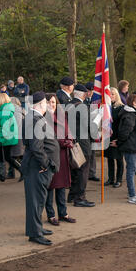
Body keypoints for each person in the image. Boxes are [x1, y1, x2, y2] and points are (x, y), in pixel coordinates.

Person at [22, 91, 60, 246]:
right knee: (36, 201)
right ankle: (35, 233)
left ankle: (37, 228)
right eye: (46, 102)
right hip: (38, 167)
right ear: (41, 104)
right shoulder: (35, 119)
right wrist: (46, 164)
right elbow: (36, 147)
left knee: (38, 200)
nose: (48, 105)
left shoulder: (33, 117)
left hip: (36, 166)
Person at [45, 93, 76, 226]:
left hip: (63, 156)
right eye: (48, 102)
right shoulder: (42, 118)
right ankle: (51, 215)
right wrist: (63, 142)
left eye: (53, 102)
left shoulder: (61, 116)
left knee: (62, 186)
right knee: (50, 187)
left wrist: (69, 140)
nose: (51, 105)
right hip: (50, 156)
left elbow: (69, 132)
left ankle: (63, 213)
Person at [66, 84, 97, 207]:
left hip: (71, 141)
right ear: (84, 94)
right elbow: (89, 125)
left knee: (75, 169)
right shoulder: (82, 107)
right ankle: (80, 197)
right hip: (83, 143)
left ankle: (72, 195)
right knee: (83, 171)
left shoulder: (67, 105)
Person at [117, 94, 136, 205]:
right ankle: (132, 195)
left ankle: (133, 192)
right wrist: (120, 142)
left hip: (134, 146)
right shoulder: (129, 115)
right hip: (131, 147)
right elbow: (124, 133)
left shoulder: (134, 114)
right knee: (131, 171)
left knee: (132, 170)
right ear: (134, 103)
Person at [0, 93, 23, 180]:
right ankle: (21, 171)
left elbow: (4, 127)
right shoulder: (5, 109)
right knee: (8, 157)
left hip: (6, 138)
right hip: (8, 137)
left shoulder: (5, 111)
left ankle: (22, 171)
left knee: (7, 157)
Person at [104, 87, 124, 188]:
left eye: (112, 94)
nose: (110, 96)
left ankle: (119, 179)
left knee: (119, 159)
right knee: (110, 158)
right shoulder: (106, 107)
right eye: (109, 94)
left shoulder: (121, 107)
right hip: (108, 136)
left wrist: (119, 139)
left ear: (116, 95)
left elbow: (122, 125)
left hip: (117, 136)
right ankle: (110, 178)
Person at [84, 81, 100, 182]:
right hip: (85, 130)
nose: (89, 93)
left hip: (93, 129)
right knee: (85, 152)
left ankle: (92, 172)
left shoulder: (95, 101)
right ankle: (85, 172)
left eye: (91, 91)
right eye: (88, 91)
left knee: (92, 152)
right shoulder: (82, 101)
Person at [8, 97, 25, 181]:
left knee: (12, 156)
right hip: (21, 136)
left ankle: (23, 172)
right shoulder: (21, 110)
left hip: (16, 136)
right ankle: (11, 173)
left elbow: (16, 125)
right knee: (17, 156)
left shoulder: (15, 111)